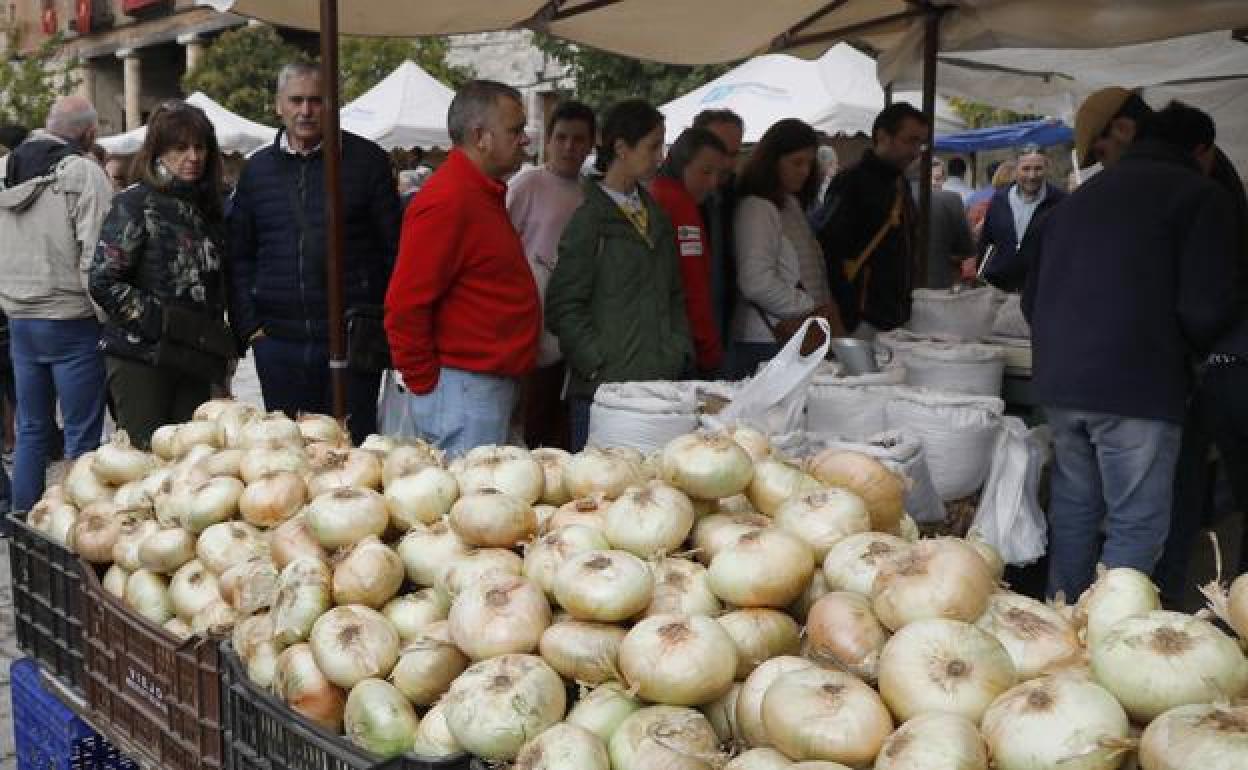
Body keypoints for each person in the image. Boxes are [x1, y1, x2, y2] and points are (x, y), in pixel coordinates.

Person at [1022, 95, 1238, 603]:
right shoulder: (1200, 196)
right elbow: (1206, 307)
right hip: (1138, 385)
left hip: (1062, 383)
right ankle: (1112, 637)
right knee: (1135, 522)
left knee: (1074, 507)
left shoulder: (1074, 202)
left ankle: (1064, 616)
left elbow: (1030, 297)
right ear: (1202, 149)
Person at [229, 62, 400, 444]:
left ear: (333, 105)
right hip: (278, 342)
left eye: (316, 101)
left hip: (351, 342)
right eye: (297, 100)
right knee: (286, 455)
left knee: (353, 453)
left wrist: (380, 318)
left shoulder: (366, 162)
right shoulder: (257, 172)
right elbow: (239, 255)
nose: (306, 111)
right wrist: (252, 328)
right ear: (279, 105)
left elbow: (394, 250)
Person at [384, 80, 540, 456]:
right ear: (480, 136)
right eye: (515, 130)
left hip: (478, 386)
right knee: (469, 508)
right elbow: (405, 305)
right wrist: (426, 385)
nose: (525, 140)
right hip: (462, 391)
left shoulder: (478, 192)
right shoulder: (450, 199)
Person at [546, 99, 693, 452]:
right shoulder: (589, 219)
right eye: (653, 146)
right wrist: (596, 364)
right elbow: (563, 304)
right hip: (604, 395)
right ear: (622, 148)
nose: (660, 156)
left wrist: (677, 350)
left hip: (659, 391)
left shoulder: (657, 216)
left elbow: (675, 295)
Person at [1148, 102, 1248, 603]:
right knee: (1188, 487)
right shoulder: (1213, 188)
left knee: (1185, 488)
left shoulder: (1205, 194)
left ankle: (1182, 595)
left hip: (1212, 365)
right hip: (1215, 363)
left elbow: (1205, 301)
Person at [89, 102, 233, 449]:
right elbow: (104, 280)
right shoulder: (136, 203)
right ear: (159, 153)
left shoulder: (211, 208)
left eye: (200, 147)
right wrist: (158, 322)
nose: (193, 156)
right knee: (144, 460)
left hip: (197, 356)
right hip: (142, 358)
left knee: (194, 461)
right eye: (180, 148)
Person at [0, 96, 113, 512]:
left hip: (20, 318)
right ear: (90, 133)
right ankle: (75, 526)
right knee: (82, 434)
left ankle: (23, 515)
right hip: (71, 318)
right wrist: (106, 316)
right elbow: (97, 256)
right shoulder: (84, 173)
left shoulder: (3, 171)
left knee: (31, 427)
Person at [506, 100, 596, 449]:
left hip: (575, 322)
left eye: (578, 139)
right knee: (531, 412)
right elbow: (504, 245)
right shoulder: (526, 184)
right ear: (547, 141)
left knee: (562, 417)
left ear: (591, 143)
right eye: (561, 138)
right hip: (532, 320)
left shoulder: (591, 193)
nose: (569, 147)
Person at [733, 118, 842, 376]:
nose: (805, 171)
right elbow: (756, 281)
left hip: (788, 337)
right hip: (768, 341)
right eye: (796, 162)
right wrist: (808, 305)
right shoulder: (757, 208)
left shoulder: (789, 204)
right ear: (772, 162)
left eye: (809, 163)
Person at [818, 103, 927, 340]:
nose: (916, 150)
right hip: (860, 317)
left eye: (921, 143)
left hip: (895, 316)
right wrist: (845, 315)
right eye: (910, 140)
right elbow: (828, 248)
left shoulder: (901, 184)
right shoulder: (851, 182)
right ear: (882, 137)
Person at [650, 127, 728, 377]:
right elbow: (693, 285)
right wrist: (710, 350)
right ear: (681, 163)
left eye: (719, 174)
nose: (713, 182)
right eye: (705, 172)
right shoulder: (679, 204)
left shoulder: (650, 193)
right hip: (677, 348)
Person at [692, 108, 745, 360]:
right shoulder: (674, 200)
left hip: (724, 330)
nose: (727, 163)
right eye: (719, 151)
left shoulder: (736, 194)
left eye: (734, 154)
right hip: (689, 341)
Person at [977, 145, 1066, 292]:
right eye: (1026, 169)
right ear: (1016, 169)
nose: (1032, 175)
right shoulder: (999, 200)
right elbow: (986, 241)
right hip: (998, 289)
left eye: (1038, 168)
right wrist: (982, 274)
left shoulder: (1060, 202)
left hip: (1040, 290)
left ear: (1047, 168)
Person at [924, 173, 976, 289]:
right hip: (939, 284)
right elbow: (966, 250)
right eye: (931, 178)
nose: (934, 182)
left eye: (938, 179)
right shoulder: (951, 200)